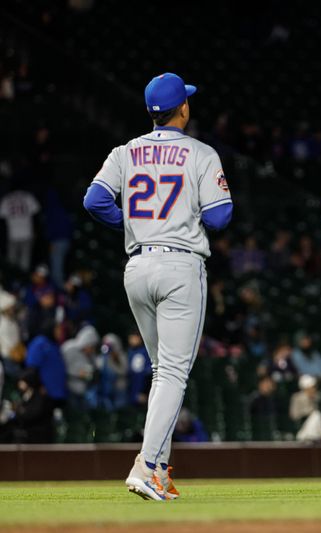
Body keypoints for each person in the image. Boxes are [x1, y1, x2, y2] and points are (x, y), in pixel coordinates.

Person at [83, 72, 232, 501]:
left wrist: (132, 222)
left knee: (161, 370)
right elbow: (220, 217)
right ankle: (146, 466)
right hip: (180, 266)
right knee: (172, 372)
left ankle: (162, 468)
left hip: (138, 265)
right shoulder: (200, 153)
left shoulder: (125, 151)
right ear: (182, 108)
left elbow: (94, 200)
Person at [0, 187, 40, 272]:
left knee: (11, 261)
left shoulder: (6, 198)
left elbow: (2, 215)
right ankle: (23, 280)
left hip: (13, 234)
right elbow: (36, 211)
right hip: (27, 233)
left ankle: (13, 280)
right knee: (25, 261)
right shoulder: (28, 196)